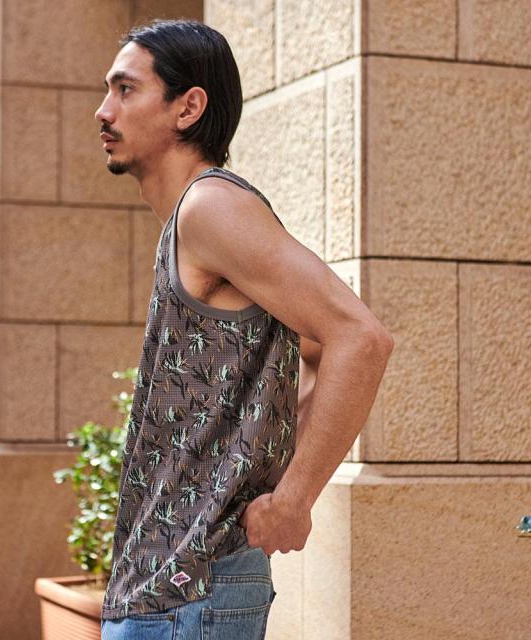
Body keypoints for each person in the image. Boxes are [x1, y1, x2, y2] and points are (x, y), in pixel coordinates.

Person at [94, 17, 394, 640]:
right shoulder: (193, 219)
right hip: (171, 594)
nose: (104, 110)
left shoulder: (211, 207)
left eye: (125, 90)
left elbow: (359, 339)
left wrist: (293, 498)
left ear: (188, 107)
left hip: (191, 596)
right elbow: (313, 350)